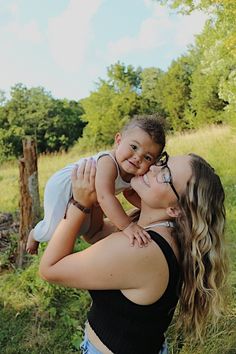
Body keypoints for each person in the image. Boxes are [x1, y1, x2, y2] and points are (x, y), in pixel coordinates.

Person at [39, 152, 228, 354]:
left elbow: (50, 269)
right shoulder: (163, 231)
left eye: (165, 176)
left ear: (175, 209)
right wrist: (98, 195)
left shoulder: (141, 249)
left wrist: (79, 204)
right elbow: (97, 234)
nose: (153, 168)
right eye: (162, 162)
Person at [26, 115, 165, 254]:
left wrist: (151, 209)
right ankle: (36, 233)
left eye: (147, 157)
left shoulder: (132, 172)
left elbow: (130, 193)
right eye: (134, 147)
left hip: (85, 191)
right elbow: (104, 197)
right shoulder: (108, 162)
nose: (137, 157)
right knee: (52, 231)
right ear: (118, 140)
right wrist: (127, 226)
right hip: (63, 185)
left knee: (83, 229)